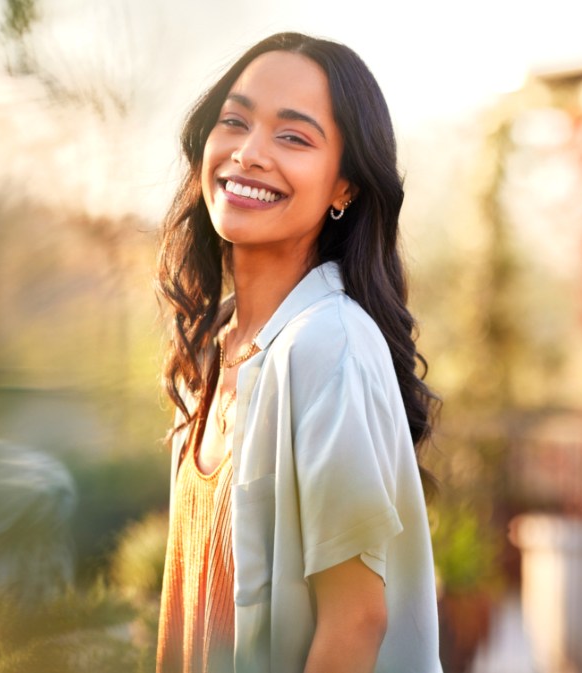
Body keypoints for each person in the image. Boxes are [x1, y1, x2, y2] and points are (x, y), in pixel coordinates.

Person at [155, 32, 442, 673]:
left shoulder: (325, 345)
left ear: (345, 187)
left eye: (294, 136)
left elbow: (357, 622)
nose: (249, 153)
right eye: (234, 122)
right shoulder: (214, 349)